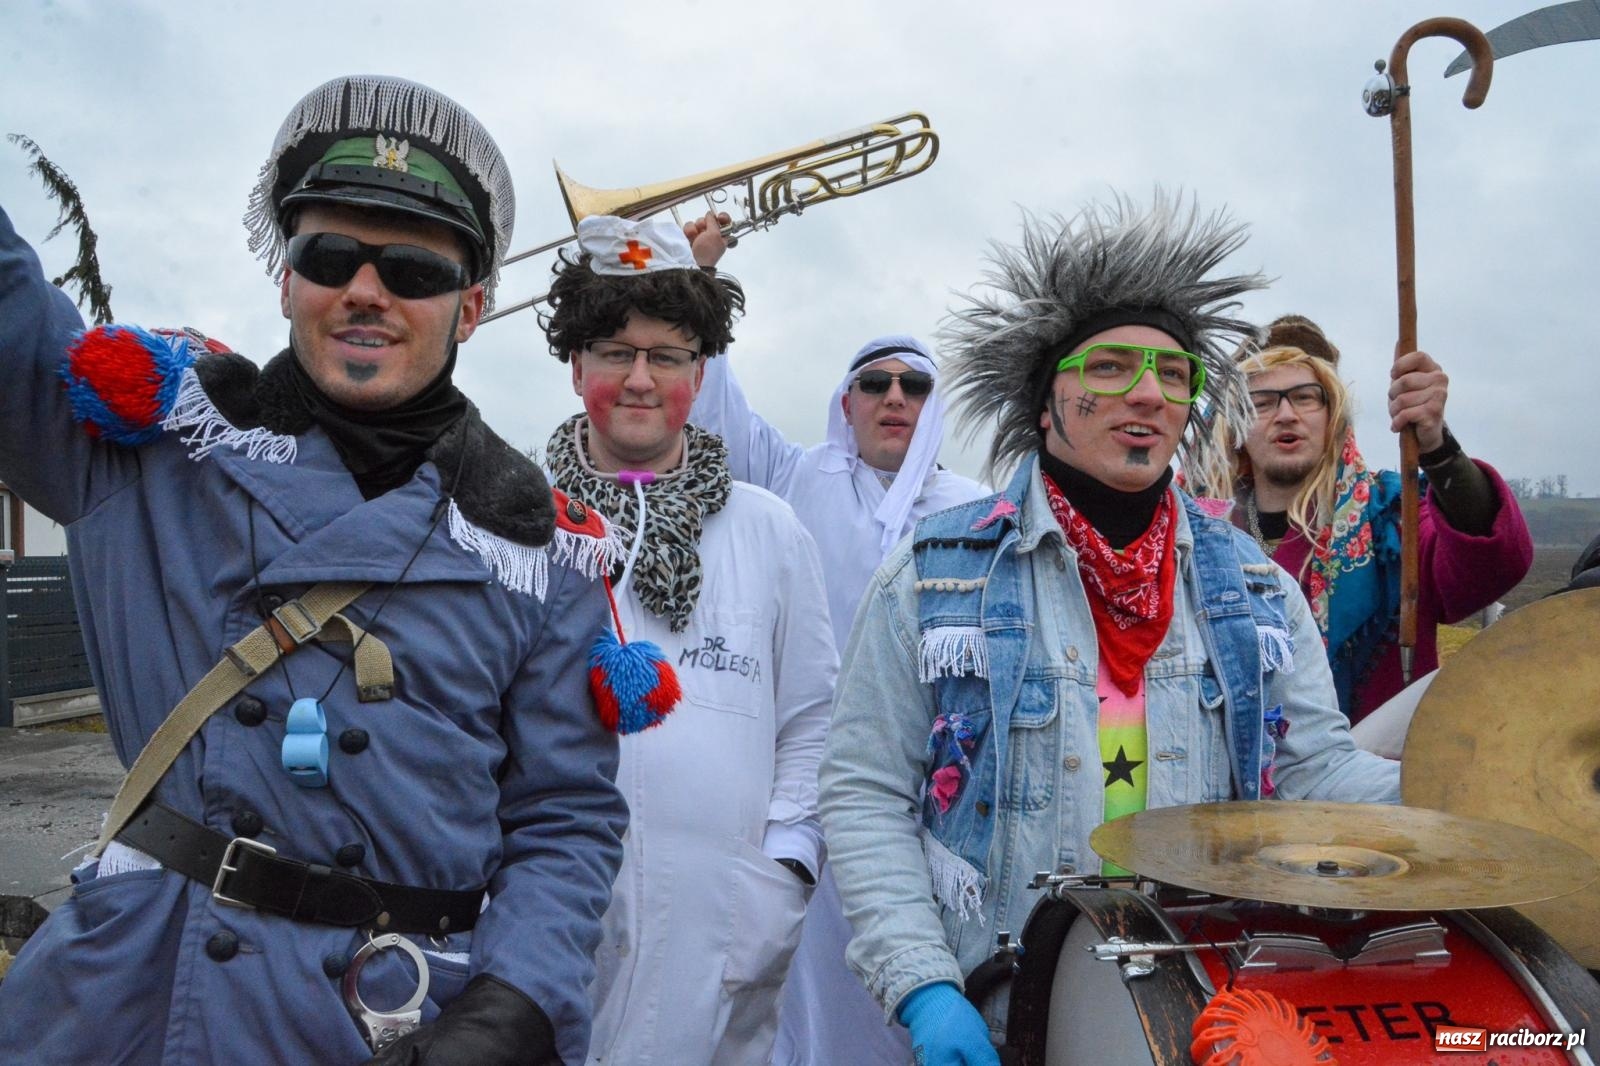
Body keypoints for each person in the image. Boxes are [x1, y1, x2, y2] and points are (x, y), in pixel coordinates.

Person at [0, 76, 628, 1065]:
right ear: (286, 277)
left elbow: (566, 815)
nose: (365, 291)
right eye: (329, 255)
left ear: (469, 306)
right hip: (139, 1000)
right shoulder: (148, 446)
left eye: (413, 270)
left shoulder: (534, 550)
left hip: (381, 1021)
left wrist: (519, 1001)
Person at [817, 195, 1402, 1064]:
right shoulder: (935, 577)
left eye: (1173, 376)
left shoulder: (1255, 590)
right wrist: (923, 986)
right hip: (1002, 1007)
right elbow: (866, 793)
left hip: (1212, 1010)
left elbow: (1317, 773)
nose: (1148, 395)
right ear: (1047, 402)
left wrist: (1488, 790)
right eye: (1112, 367)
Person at [685, 219, 988, 1066]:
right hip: (815, 777)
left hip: (940, 784)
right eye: (874, 383)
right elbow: (715, 409)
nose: (894, 398)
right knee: (809, 979)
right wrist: (699, 282)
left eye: (914, 385)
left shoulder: (978, 507)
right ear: (846, 402)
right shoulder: (795, 475)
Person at [539, 214, 837, 1066]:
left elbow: (814, 720)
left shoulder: (769, 529)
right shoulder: (515, 522)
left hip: (726, 921)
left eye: (666, 357)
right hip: (550, 912)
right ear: (576, 368)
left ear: (699, 376)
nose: (639, 379)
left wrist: (787, 867)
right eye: (615, 353)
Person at [1220, 314, 1532, 721]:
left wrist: (1436, 448)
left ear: (1334, 418)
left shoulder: (1393, 512)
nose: (1285, 414)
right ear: (1237, 425)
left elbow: (1493, 565)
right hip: (1239, 780)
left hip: (1378, 774)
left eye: (1305, 397)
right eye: (1262, 402)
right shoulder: (1205, 534)